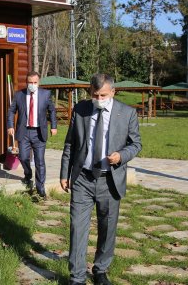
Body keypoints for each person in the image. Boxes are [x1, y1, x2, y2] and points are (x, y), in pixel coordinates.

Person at [59, 74, 142, 285]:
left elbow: (136, 144)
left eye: (103, 95)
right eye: (94, 95)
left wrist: (121, 156)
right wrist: (64, 174)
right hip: (83, 179)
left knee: (107, 227)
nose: (98, 98)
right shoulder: (81, 110)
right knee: (78, 227)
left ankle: (100, 269)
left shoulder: (127, 113)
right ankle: (77, 276)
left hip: (110, 180)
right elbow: (70, 144)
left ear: (113, 92)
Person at [6, 71, 57, 198]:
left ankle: (40, 188)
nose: (32, 85)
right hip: (24, 131)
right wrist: (10, 125)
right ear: (26, 82)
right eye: (30, 82)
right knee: (23, 158)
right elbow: (11, 111)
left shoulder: (45, 94)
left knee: (40, 161)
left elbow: (52, 111)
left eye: (35, 82)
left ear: (38, 82)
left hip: (39, 132)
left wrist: (54, 126)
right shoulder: (19, 95)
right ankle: (28, 174)